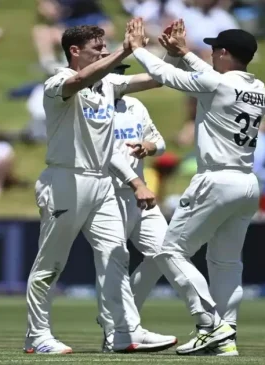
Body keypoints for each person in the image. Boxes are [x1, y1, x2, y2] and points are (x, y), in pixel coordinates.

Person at [24, 24, 177, 355]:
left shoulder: (109, 84)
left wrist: (173, 54)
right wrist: (125, 50)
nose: (105, 52)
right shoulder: (56, 82)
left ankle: (123, 332)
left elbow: (156, 79)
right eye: (98, 48)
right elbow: (77, 82)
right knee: (51, 264)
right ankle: (37, 335)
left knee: (115, 255)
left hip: (103, 183)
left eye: (107, 47)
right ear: (75, 52)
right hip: (65, 180)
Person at [128, 18, 265, 355]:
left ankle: (211, 326)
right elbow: (209, 79)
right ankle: (226, 336)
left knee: (169, 251)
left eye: (214, 50)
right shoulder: (257, 87)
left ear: (222, 53)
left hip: (216, 180)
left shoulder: (217, 85)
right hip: (247, 183)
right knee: (226, 263)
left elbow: (164, 76)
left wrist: (137, 50)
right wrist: (186, 53)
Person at [98, 63, 174, 352]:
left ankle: (119, 320)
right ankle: (118, 330)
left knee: (164, 253)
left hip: (139, 193)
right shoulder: (89, 106)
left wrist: (149, 147)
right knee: (113, 260)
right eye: (115, 71)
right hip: (106, 194)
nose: (120, 78)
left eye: (122, 72)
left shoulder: (135, 106)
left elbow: (160, 141)